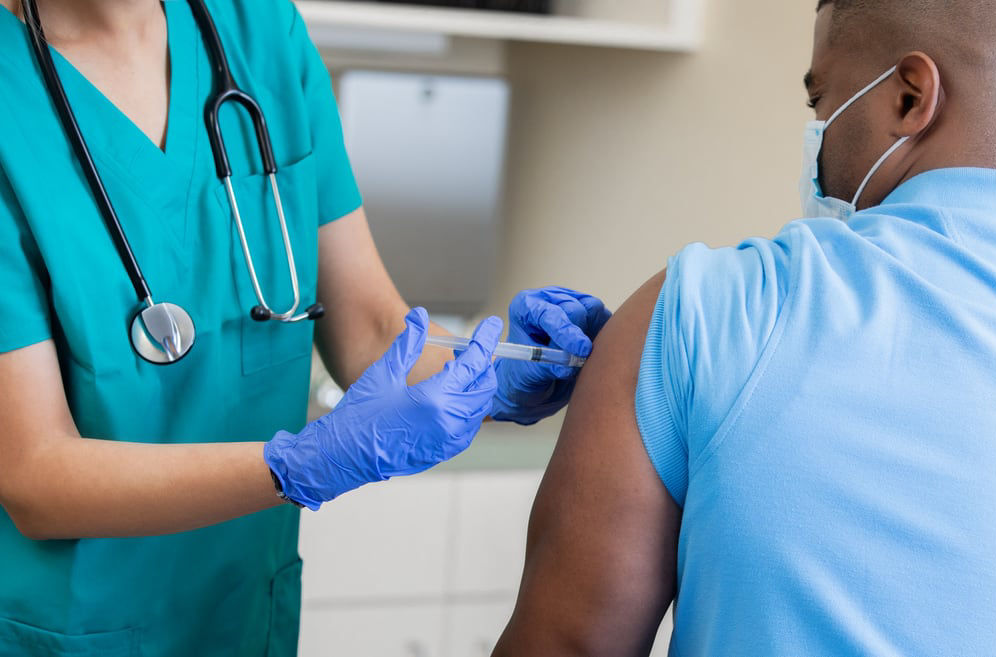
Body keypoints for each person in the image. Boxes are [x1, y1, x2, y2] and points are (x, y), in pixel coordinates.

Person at [493, 0, 996, 655]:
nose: (817, 127)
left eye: (820, 100)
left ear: (910, 97)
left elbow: (565, 644)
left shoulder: (708, 309)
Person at [0, 0, 609, 655]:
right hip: (76, 629)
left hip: (244, 618)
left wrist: (494, 373)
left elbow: (373, 333)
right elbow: (35, 472)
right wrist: (296, 464)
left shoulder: (260, 30)